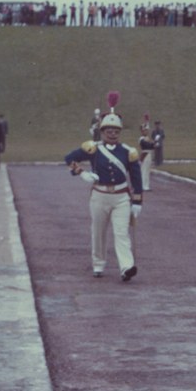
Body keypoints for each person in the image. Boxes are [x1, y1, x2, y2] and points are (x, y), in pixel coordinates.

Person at [64, 94, 143, 281]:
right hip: (99, 196)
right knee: (98, 232)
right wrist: (81, 173)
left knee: (121, 233)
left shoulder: (128, 151)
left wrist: (138, 200)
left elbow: (136, 176)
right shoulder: (93, 148)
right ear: (102, 130)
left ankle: (126, 267)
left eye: (116, 131)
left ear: (120, 132)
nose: (112, 134)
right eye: (109, 130)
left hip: (121, 197)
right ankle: (98, 264)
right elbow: (69, 158)